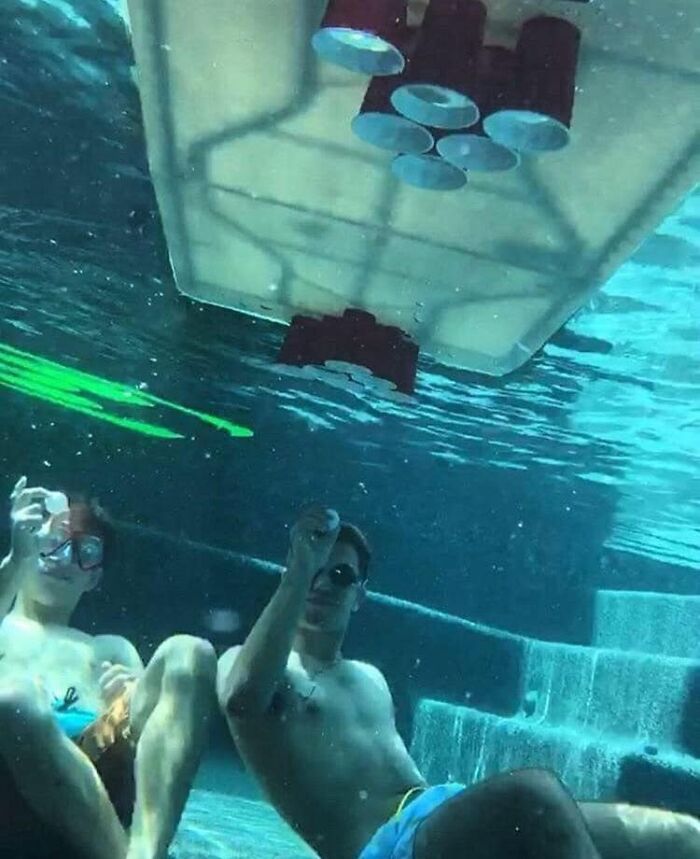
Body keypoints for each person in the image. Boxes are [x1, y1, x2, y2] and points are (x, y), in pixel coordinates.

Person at [217, 505, 700, 859]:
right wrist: (300, 566)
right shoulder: (250, 666)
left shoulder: (369, 678)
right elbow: (243, 700)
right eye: (314, 572)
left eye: (339, 574)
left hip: (443, 816)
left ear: (359, 595)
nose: (323, 583)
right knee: (533, 793)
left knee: (678, 836)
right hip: (388, 846)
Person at [0, 476, 216, 859]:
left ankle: (147, 851)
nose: (64, 557)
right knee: (15, 699)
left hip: (102, 785)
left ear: (94, 577)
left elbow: (151, 741)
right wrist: (18, 559)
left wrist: (134, 693)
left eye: (85, 551)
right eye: (51, 542)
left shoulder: (109, 648)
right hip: (14, 789)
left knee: (190, 652)